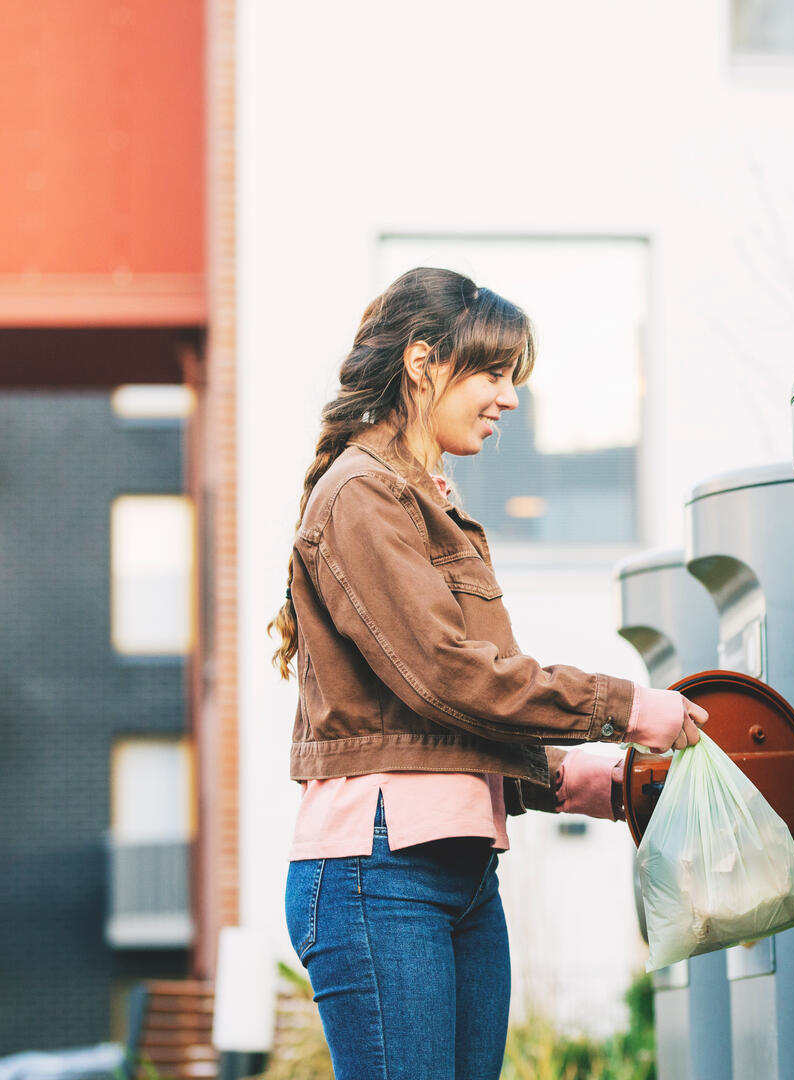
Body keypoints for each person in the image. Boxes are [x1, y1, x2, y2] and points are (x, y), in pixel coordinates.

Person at [271, 267, 705, 1079]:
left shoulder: (429, 498)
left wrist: (581, 782)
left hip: (461, 871)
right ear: (423, 361)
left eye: (515, 378)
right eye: (494, 373)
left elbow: (446, 724)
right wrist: (626, 706)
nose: (509, 398)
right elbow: (448, 677)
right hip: (380, 875)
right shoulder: (362, 496)